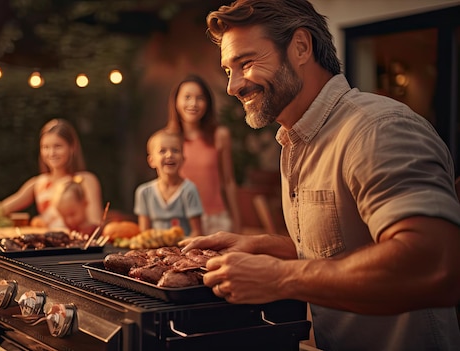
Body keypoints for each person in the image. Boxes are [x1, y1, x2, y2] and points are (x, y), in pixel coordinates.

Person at [180, 1, 460, 350]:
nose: (232, 86)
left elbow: (433, 265)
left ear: (300, 46)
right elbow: (349, 249)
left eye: (246, 63)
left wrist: (280, 277)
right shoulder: (295, 141)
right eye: (227, 70)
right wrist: (268, 251)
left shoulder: (377, 129)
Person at [166, 74, 241, 234]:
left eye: (200, 98)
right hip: (181, 221)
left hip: (216, 220)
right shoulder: (167, 139)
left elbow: (228, 181)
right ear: (176, 102)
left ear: (207, 103)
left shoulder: (220, 135)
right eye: (187, 97)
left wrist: (237, 222)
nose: (193, 103)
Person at [1, 118, 103, 230]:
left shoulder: (85, 181)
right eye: (46, 147)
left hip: (78, 244)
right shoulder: (38, 183)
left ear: (72, 147)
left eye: (58, 146)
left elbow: (96, 224)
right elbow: (2, 208)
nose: (51, 153)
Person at [134, 129, 203, 237]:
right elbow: (144, 234)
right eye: (162, 151)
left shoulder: (189, 190)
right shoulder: (144, 192)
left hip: (183, 250)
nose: (169, 155)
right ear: (151, 160)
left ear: (183, 159)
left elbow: (197, 232)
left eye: (175, 150)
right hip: (154, 251)